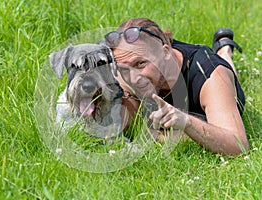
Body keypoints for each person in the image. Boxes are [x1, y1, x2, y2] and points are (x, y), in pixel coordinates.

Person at [104, 18, 249, 155]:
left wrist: (186, 122)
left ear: (166, 53)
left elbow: (238, 145)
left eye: (140, 64)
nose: (134, 78)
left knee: (225, 70)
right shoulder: (126, 68)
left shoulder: (209, 74)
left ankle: (224, 50)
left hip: (211, 86)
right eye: (124, 69)